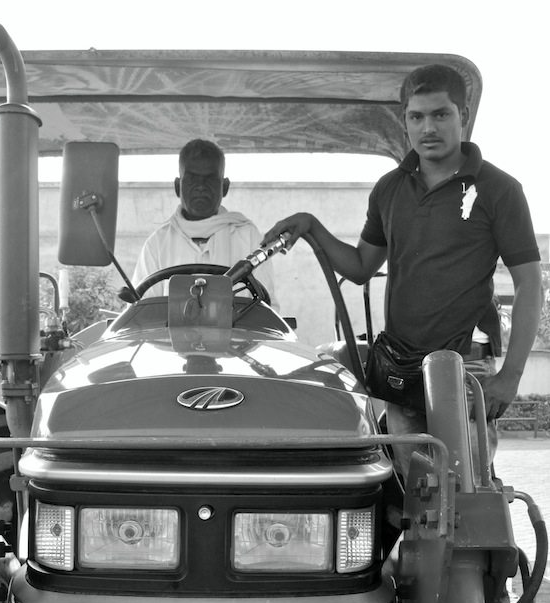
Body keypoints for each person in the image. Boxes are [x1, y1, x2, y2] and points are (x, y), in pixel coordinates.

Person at [262, 64, 542, 479]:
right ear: (404, 121)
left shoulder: (499, 190)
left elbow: (529, 285)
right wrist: (311, 226)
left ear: (463, 115)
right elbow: (360, 267)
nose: (428, 127)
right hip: (401, 374)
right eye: (417, 117)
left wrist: (511, 376)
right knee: (415, 503)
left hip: (464, 374)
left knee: (464, 501)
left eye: (440, 114)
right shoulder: (389, 189)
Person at [132, 139, 276, 300]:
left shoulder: (249, 238)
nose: (201, 186)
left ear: (225, 187)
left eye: (210, 179)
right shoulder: (157, 243)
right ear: (178, 186)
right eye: (192, 179)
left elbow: (267, 307)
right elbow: (142, 311)